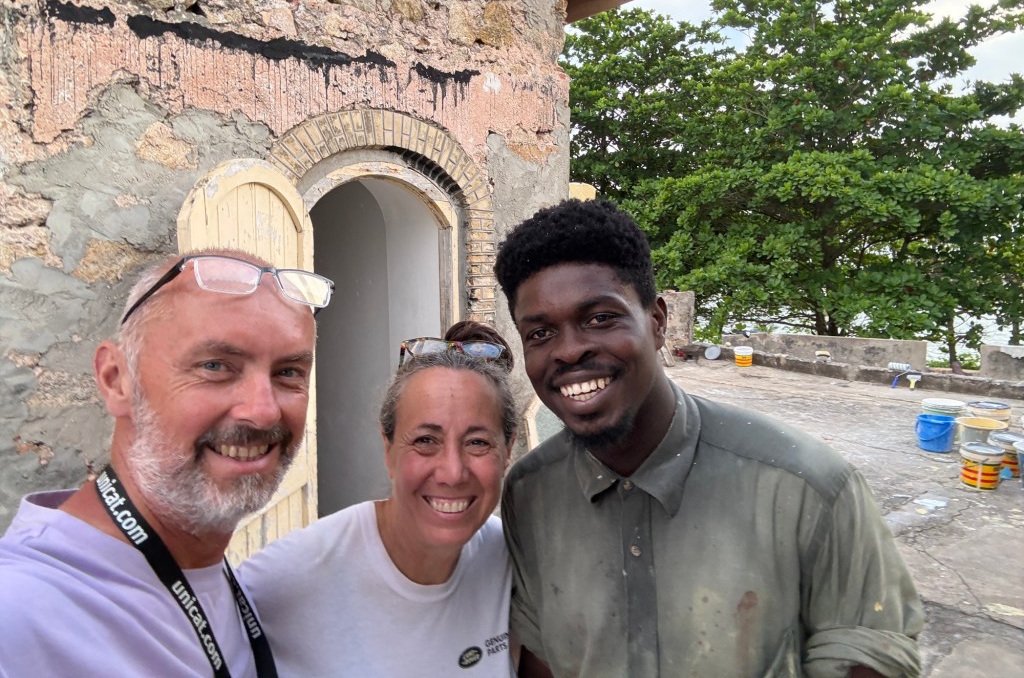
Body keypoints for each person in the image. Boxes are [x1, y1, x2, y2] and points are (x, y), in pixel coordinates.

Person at [494, 199, 924, 678]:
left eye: (600, 318)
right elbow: (539, 654)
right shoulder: (529, 494)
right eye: (540, 333)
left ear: (658, 321)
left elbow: (871, 652)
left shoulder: (808, 486)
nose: (570, 350)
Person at [0, 250, 333, 677]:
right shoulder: (20, 613)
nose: (263, 412)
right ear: (116, 380)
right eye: (215, 366)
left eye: (288, 372)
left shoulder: (203, 565)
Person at [239, 322, 519, 677]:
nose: (452, 472)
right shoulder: (279, 583)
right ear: (388, 449)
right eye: (425, 441)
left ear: (508, 450)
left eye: (477, 442)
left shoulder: (512, 560)